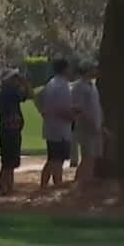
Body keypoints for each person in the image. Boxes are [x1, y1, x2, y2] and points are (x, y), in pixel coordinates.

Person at [38, 58, 76, 189]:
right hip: (60, 128)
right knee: (57, 159)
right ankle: (57, 184)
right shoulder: (63, 85)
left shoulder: (51, 83)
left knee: (52, 158)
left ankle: (44, 185)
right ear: (65, 69)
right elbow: (63, 109)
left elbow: (40, 100)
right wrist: (73, 119)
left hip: (51, 126)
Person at [71, 63, 105, 184]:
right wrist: (89, 122)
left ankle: (88, 180)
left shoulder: (93, 86)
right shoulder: (79, 87)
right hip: (85, 127)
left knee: (94, 157)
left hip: (96, 126)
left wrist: (100, 124)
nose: (96, 71)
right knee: (87, 156)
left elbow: (96, 106)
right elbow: (77, 108)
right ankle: (79, 181)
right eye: (93, 69)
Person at [0, 69, 27, 195]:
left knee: (11, 161)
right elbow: (26, 94)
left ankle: (9, 186)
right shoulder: (6, 93)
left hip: (13, 129)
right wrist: (23, 82)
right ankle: (4, 186)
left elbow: (26, 94)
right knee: (7, 161)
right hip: (8, 130)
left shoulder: (9, 92)